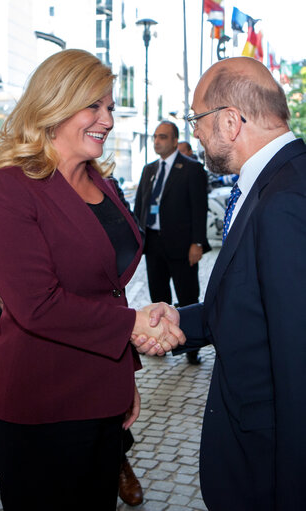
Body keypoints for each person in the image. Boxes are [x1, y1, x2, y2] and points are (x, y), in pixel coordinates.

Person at [0, 49, 184, 511]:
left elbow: (107, 291)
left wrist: (123, 373)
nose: (107, 119)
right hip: (42, 407)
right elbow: (37, 305)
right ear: (55, 103)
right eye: (94, 105)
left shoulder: (102, 183)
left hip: (104, 395)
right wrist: (133, 323)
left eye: (109, 107)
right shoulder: (8, 187)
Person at [134, 56, 306, 510]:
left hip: (266, 468)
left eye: (197, 119)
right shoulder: (275, 181)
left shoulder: (286, 199)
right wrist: (177, 320)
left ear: (230, 121)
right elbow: (252, 306)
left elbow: (298, 366)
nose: (196, 133)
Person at [0, 227, 144, 507]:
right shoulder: (7, 188)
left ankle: (119, 460)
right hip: (17, 329)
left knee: (97, 413)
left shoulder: (89, 188)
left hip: (82, 323)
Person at [134, 121, 210, 365]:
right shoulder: (148, 170)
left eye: (163, 137)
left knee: (187, 294)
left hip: (182, 245)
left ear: (175, 141)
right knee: (158, 294)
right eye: (155, 137)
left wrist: (197, 243)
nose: (157, 141)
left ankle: (190, 347)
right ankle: (161, 340)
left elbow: (200, 209)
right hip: (154, 244)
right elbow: (140, 207)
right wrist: (138, 238)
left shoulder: (192, 168)